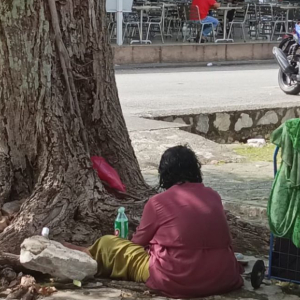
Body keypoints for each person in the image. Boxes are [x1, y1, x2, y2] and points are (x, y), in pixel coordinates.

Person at [64, 145, 243, 298]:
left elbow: (137, 243)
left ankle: (84, 253)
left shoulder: (158, 202)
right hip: (223, 275)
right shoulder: (213, 196)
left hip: (177, 278)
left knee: (108, 243)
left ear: (164, 173)